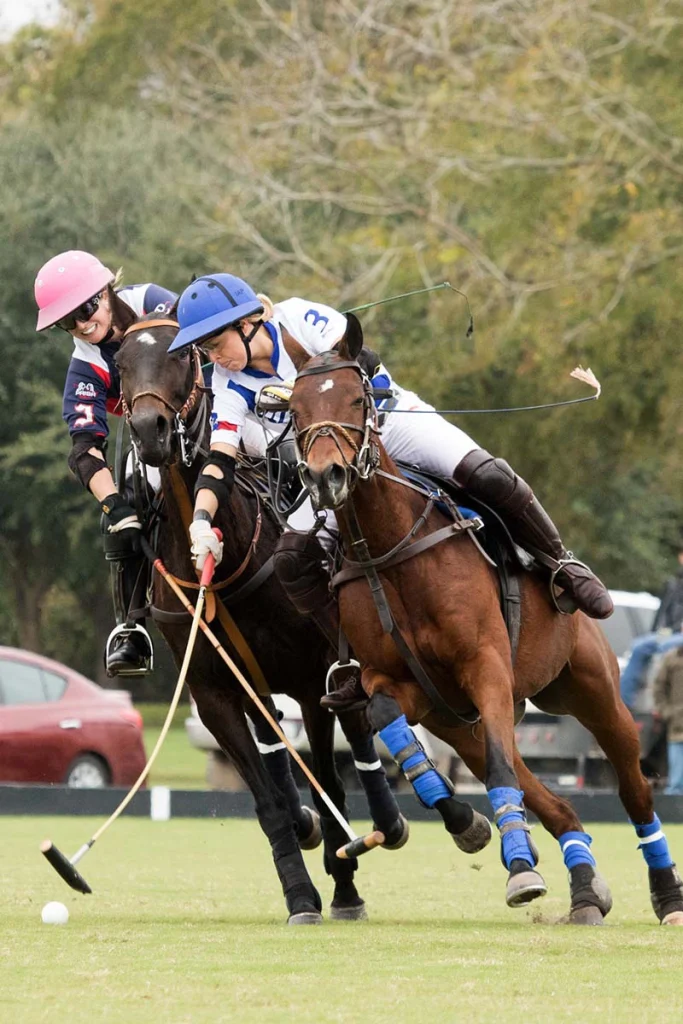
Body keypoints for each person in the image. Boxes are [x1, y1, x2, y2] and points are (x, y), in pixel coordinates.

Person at [167, 272, 613, 712]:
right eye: (204, 350)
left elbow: (365, 359)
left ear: (246, 323)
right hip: (328, 466)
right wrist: (201, 522)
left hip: (389, 425)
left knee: (488, 474)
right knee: (291, 560)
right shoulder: (227, 387)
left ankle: (562, 563)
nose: (213, 357)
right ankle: (357, 662)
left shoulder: (298, 318)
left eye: (214, 343)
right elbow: (220, 461)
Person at [34, 250, 177, 676]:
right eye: (67, 321)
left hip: (210, 407)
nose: (80, 324)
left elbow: (210, 333)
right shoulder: (85, 365)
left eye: (85, 308)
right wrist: (114, 505)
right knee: (126, 508)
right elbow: (83, 448)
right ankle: (131, 628)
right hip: (151, 437)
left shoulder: (153, 300)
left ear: (106, 291)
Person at [652, 645, 683, 794]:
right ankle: (675, 813)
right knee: (676, 782)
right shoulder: (672, 658)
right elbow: (659, 688)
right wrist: (666, 712)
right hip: (678, 726)